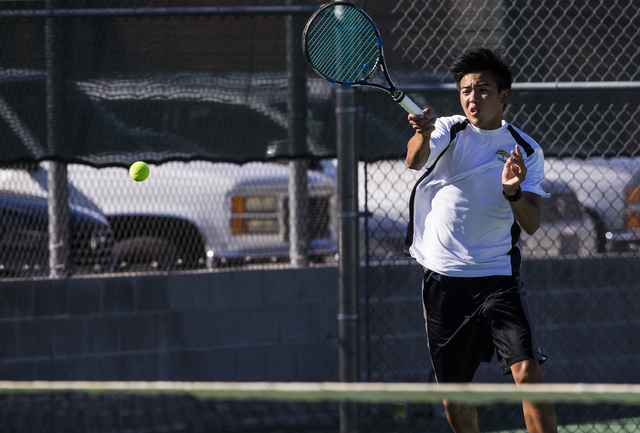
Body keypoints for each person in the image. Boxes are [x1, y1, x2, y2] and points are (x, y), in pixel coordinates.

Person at [404, 47, 558, 433]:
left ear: (503, 95)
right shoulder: (447, 130)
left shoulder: (526, 149)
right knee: (455, 398)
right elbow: (413, 160)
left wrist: (513, 192)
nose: (473, 98)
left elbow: (533, 224)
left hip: (497, 279)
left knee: (528, 373)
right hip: (443, 281)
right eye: (466, 90)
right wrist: (422, 135)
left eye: (483, 90)